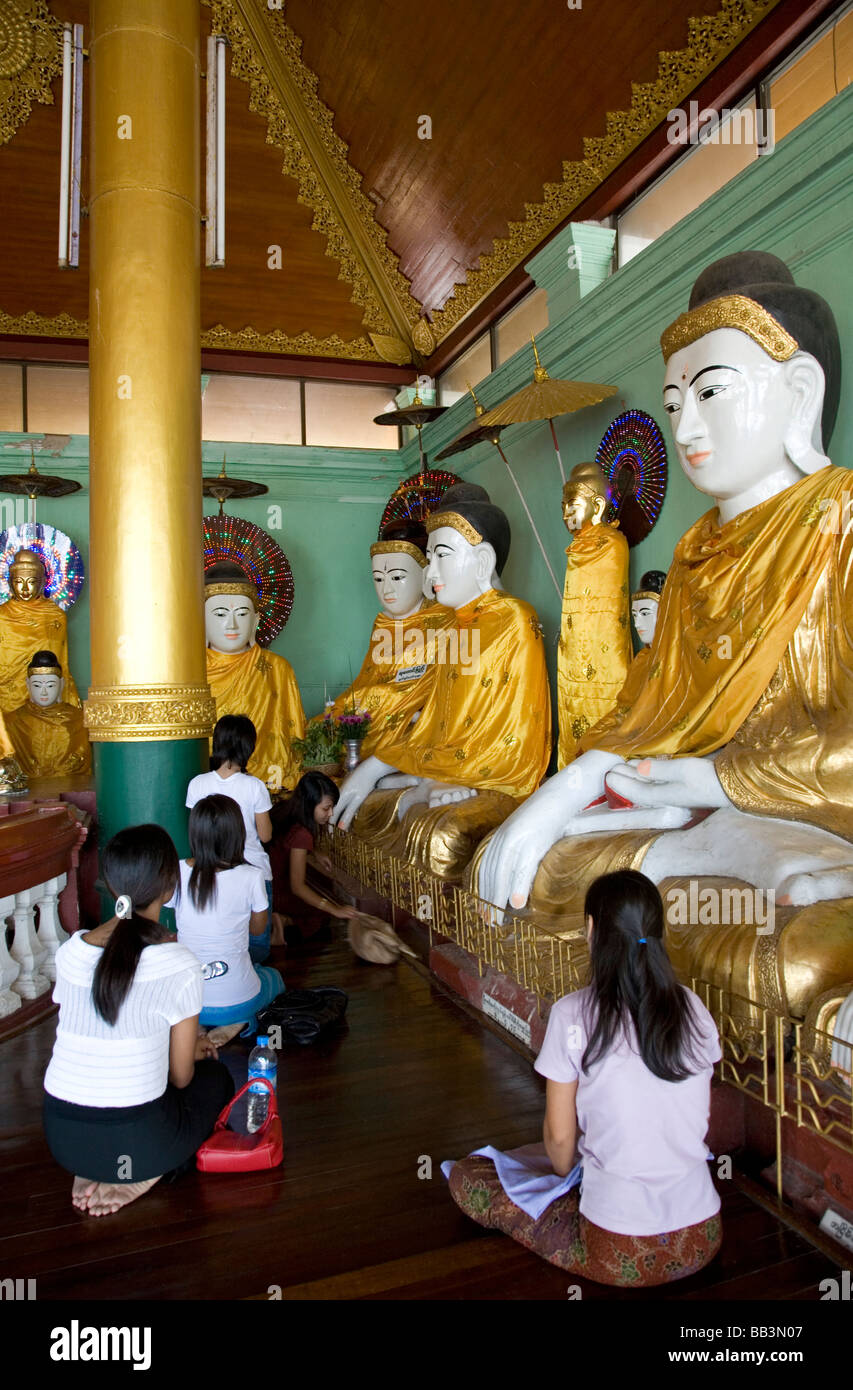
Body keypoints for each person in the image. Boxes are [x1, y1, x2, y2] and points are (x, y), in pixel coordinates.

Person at [449, 870, 723, 1287]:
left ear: (592, 929)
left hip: (617, 1247)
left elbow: (560, 1146)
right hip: (702, 1236)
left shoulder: (573, 1012)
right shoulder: (692, 1007)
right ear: (658, 930)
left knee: (470, 1177)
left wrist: (565, 1178)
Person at [43, 825, 234, 1218]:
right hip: (139, 1137)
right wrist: (194, 1050)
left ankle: (97, 1164)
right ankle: (142, 1173)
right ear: (169, 887)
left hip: (63, 1136)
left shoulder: (70, 952)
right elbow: (180, 1079)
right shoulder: (178, 962)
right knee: (217, 1080)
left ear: (111, 886)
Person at [168, 795, 284, 1046]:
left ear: (195, 834)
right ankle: (239, 1021)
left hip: (188, 1004)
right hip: (238, 999)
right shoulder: (253, 876)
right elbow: (257, 930)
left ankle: (196, 1025)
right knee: (273, 978)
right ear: (237, 833)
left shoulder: (178, 871)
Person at [186, 714, 273, 962]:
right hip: (252, 869)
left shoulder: (197, 784)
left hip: (210, 874)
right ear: (248, 747)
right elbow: (265, 835)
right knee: (256, 947)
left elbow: (195, 833)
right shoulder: (254, 786)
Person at [269, 771, 357, 944]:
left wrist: (315, 851)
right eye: (326, 808)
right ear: (309, 805)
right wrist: (334, 909)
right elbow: (298, 887)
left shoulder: (285, 809)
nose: (331, 813)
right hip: (273, 894)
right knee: (321, 914)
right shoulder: (302, 834)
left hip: (266, 884)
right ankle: (283, 921)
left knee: (322, 885)